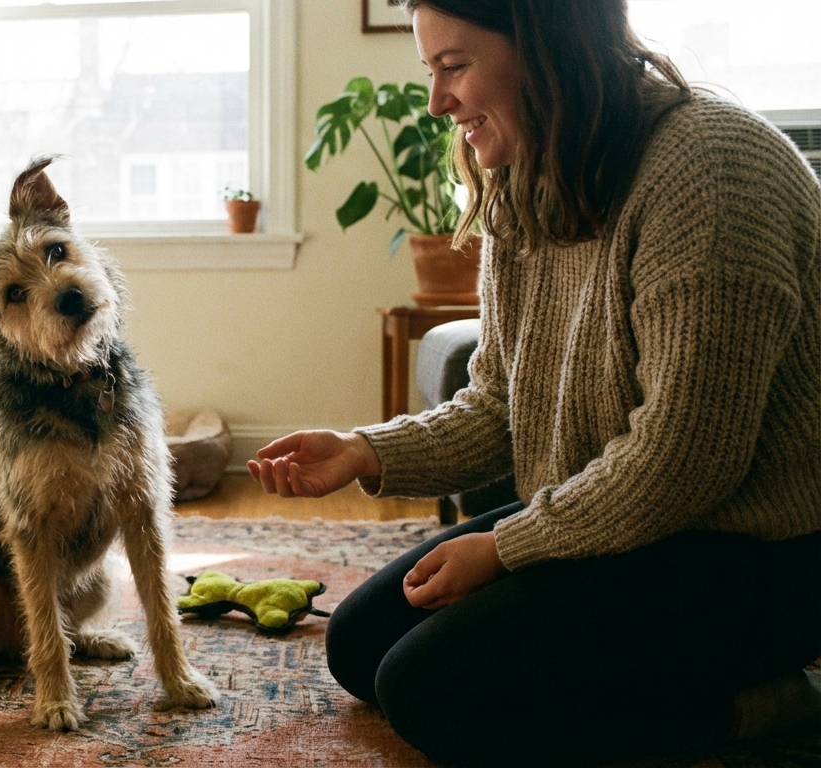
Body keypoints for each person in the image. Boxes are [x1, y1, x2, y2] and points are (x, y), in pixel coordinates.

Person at [249, 0, 821, 765]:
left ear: (551, 49)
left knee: (430, 689)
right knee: (361, 647)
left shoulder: (712, 168)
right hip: (625, 521)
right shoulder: (530, 170)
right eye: (431, 70)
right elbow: (499, 403)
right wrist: (362, 451)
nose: (437, 102)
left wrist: (508, 546)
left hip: (759, 552)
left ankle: (758, 707)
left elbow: (686, 461)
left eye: (455, 67)